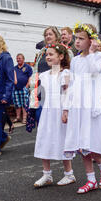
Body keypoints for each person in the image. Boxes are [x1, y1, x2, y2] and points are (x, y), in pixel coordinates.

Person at [63, 23, 101, 194]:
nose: (77, 41)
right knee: (82, 145)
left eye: (81, 38)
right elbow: (73, 84)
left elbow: (94, 72)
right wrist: (66, 107)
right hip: (78, 105)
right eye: (76, 38)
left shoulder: (100, 56)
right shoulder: (75, 60)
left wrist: (91, 53)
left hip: (92, 105)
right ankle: (91, 180)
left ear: (91, 41)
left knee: (92, 143)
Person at [33, 43, 76, 187]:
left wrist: (66, 111)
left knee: (62, 140)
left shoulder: (66, 74)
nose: (48, 57)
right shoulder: (44, 75)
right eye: (47, 55)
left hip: (60, 111)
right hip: (47, 111)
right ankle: (47, 174)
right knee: (45, 138)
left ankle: (69, 174)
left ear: (61, 56)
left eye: (51, 54)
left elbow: (67, 93)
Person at [13, 53, 32, 123]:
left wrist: (27, 86)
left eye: (19, 58)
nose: (18, 60)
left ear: (23, 59)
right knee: (17, 104)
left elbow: (30, 77)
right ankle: (18, 117)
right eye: (17, 58)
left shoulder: (27, 67)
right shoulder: (14, 68)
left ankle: (24, 118)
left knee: (24, 104)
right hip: (16, 89)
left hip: (24, 88)